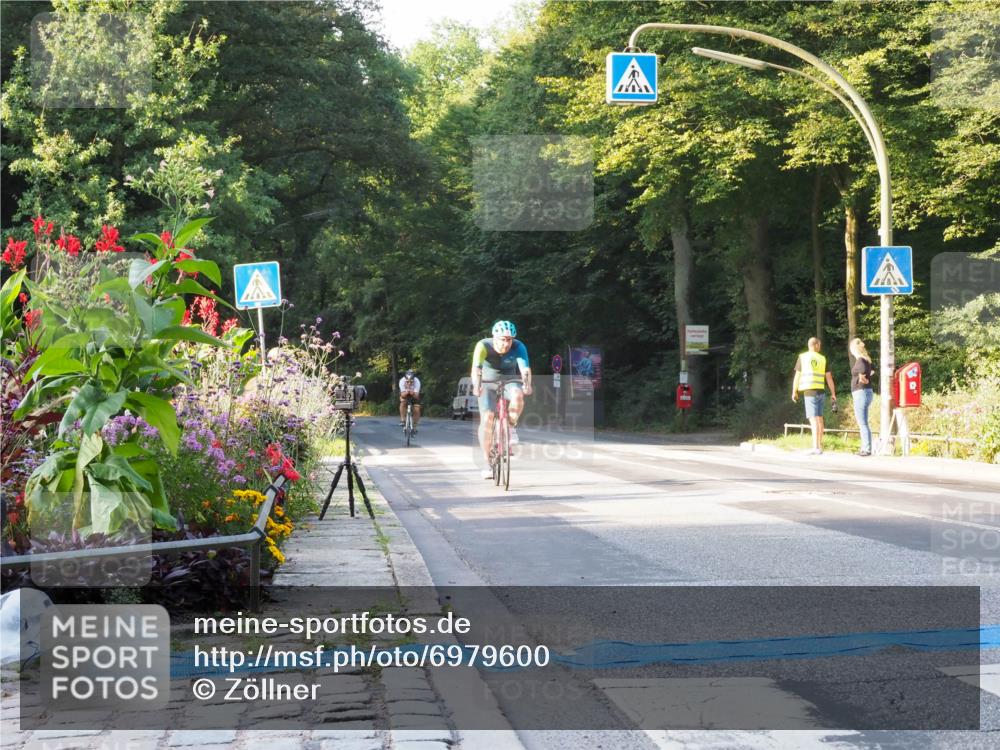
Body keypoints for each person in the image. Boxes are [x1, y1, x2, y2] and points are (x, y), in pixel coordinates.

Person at [471, 320, 533, 479]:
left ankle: (510, 427)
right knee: (487, 418)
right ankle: (486, 463)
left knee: (518, 395)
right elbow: (476, 369)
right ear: (494, 337)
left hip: (509, 381)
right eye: (502, 339)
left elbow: (525, 370)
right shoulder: (483, 345)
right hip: (487, 382)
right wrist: (476, 385)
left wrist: (527, 385)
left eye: (509, 339)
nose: (506, 343)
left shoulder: (519, 347)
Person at [791, 337, 837, 455]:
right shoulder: (822, 358)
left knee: (813, 420)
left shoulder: (803, 357)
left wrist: (794, 391)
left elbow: (797, 376)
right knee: (820, 419)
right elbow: (829, 378)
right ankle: (819, 446)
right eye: (819, 345)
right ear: (815, 345)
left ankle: (815, 447)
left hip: (809, 392)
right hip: (820, 391)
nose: (820, 347)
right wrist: (833, 393)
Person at [849, 337, 875, 456]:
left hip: (861, 393)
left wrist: (862, 378)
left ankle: (867, 449)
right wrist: (864, 377)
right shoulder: (867, 360)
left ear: (854, 349)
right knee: (864, 422)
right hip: (866, 392)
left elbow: (864, 372)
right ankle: (865, 447)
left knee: (862, 423)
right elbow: (872, 371)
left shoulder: (860, 360)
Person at [399, 370, 421, 434]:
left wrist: (413, 393)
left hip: (414, 394)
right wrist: (406, 392)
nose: (409, 383)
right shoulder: (402, 381)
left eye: (411, 381)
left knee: (417, 409)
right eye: (407, 381)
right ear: (405, 379)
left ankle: (414, 427)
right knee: (402, 403)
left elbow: (417, 396)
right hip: (404, 394)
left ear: (414, 379)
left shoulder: (417, 381)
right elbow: (402, 394)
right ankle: (403, 420)